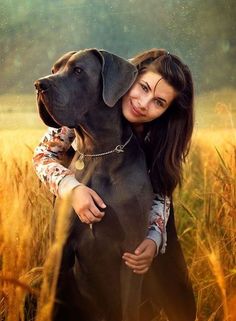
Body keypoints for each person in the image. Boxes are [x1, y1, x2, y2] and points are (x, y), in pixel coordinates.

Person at [33, 48, 196, 320]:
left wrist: (154, 238)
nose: (144, 103)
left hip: (143, 205)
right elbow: (42, 155)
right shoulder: (87, 103)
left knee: (170, 280)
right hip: (81, 183)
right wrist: (71, 188)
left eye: (159, 102)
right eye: (143, 87)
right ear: (128, 78)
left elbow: (161, 189)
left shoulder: (158, 132)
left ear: (166, 111)